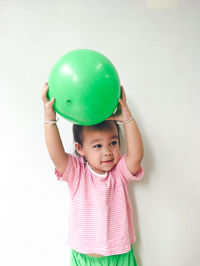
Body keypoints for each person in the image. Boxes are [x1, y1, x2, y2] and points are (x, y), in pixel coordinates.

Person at [42, 82, 144, 266]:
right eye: (97, 146)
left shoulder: (118, 172)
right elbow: (56, 155)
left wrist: (127, 118)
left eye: (113, 143)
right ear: (80, 148)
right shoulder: (77, 173)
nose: (107, 151)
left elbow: (136, 157)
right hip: (84, 258)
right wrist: (50, 120)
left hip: (119, 256)